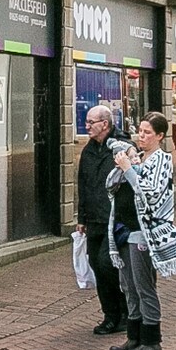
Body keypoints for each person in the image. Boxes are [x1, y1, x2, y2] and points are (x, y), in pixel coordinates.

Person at [108, 111, 176, 350]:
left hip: (144, 231)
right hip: (123, 228)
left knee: (144, 285)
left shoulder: (162, 160)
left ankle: (152, 339)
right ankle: (134, 336)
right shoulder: (138, 158)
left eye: (147, 133)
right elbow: (111, 186)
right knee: (128, 285)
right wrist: (123, 167)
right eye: (140, 131)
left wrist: (129, 169)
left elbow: (150, 193)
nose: (141, 136)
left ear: (160, 136)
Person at [74, 105, 127, 335]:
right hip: (94, 218)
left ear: (105, 124)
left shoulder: (120, 147)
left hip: (114, 219)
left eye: (91, 122)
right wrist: (82, 217)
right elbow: (83, 184)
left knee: (108, 264)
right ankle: (110, 315)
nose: (86, 126)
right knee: (96, 264)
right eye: (86, 122)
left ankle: (124, 312)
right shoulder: (88, 150)